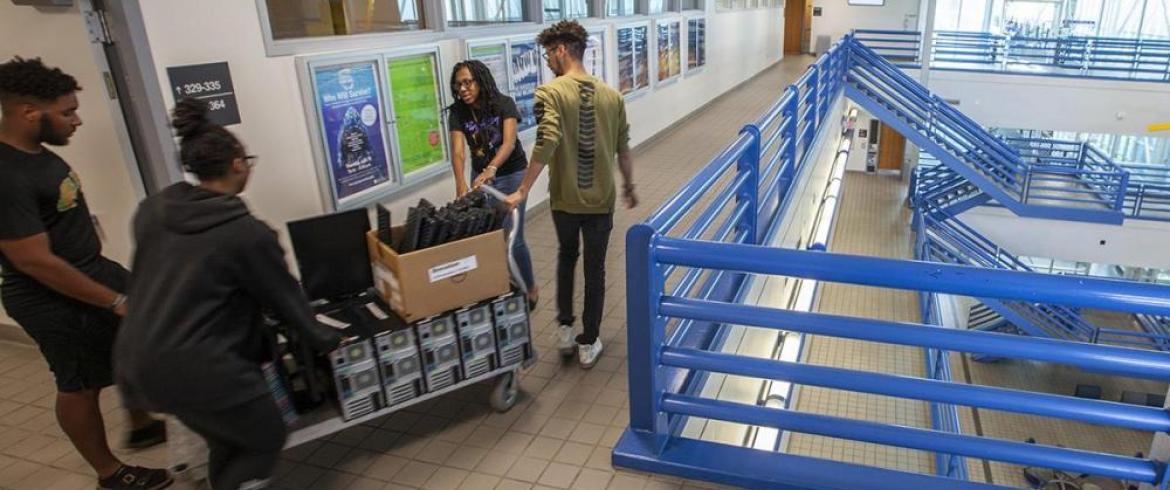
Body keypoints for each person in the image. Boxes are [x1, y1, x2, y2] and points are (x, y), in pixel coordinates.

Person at [113, 98, 343, 490]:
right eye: (248, 160)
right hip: (202, 365)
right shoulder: (246, 234)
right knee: (265, 437)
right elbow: (287, 303)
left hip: (139, 360)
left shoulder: (153, 209)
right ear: (238, 164)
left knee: (227, 438)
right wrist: (329, 338)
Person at [0, 57, 171, 490]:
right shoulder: (6, 174)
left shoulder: (35, 154)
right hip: (48, 295)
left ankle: (142, 423)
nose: (76, 120)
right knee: (78, 384)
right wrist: (115, 300)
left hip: (89, 270)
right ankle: (110, 473)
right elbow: (32, 260)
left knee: (132, 345)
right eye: (67, 111)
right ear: (27, 112)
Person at [503, 20, 638, 369]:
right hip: (601, 200)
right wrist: (629, 185)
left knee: (566, 257)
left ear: (562, 49)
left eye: (549, 53)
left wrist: (522, 189)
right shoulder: (612, 95)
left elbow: (547, 139)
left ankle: (565, 328)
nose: (547, 60)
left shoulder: (549, 93)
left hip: (564, 199)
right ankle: (589, 341)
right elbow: (623, 147)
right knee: (595, 270)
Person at [447, 59, 539, 308]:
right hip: (482, 181)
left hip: (512, 174)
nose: (463, 89)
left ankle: (530, 288)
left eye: (467, 83)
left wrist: (491, 168)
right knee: (490, 236)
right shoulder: (457, 113)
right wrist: (460, 185)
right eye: (458, 85)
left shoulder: (503, 104)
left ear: (480, 80)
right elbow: (457, 152)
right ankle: (502, 284)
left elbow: (508, 143)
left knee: (512, 236)